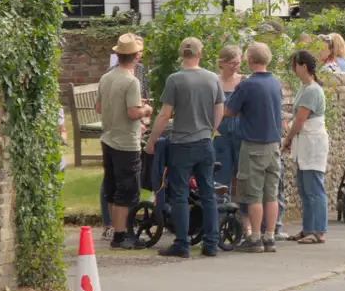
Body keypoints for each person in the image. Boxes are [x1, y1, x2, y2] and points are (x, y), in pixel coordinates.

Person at [143, 38, 224, 258]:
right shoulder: (212, 79)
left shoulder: (175, 80)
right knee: (207, 193)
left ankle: (182, 243)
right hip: (205, 143)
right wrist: (211, 130)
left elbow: (164, 114)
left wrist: (152, 139)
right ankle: (211, 243)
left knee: (179, 194)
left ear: (181, 55)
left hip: (181, 144)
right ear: (200, 54)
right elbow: (220, 109)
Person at [224, 42, 285, 252]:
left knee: (253, 195)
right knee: (271, 194)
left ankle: (255, 237)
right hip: (274, 145)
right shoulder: (275, 82)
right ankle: (270, 237)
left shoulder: (248, 85)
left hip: (253, 145)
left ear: (249, 61)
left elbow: (229, 110)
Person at [98, 34, 153, 249]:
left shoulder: (107, 77)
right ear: (135, 57)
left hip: (108, 138)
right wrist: (146, 109)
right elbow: (132, 113)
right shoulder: (131, 81)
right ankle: (121, 235)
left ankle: (115, 230)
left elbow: (99, 108)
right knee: (127, 188)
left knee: (112, 185)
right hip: (125, 141)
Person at [283, 50, 331, 243]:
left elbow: (300, 120)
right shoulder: (305, 87)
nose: (293, 69)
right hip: (305, 142)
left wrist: (287, 139)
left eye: (294, 65)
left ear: (302, 66)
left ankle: (318, 231)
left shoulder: (311, 90)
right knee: (304, 187)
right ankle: (308, 228)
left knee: (314, 187)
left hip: (312, 142)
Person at [214, 44, 245, 204]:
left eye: (238, 63)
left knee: (244, 175)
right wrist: (215, 129)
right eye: (231, 63)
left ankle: (242, 217)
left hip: (240, 130)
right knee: (221, 175)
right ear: (222, 62)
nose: (235, 67)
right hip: (220, 132)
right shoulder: (214, 81)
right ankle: (220, 217)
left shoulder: (243, 81)